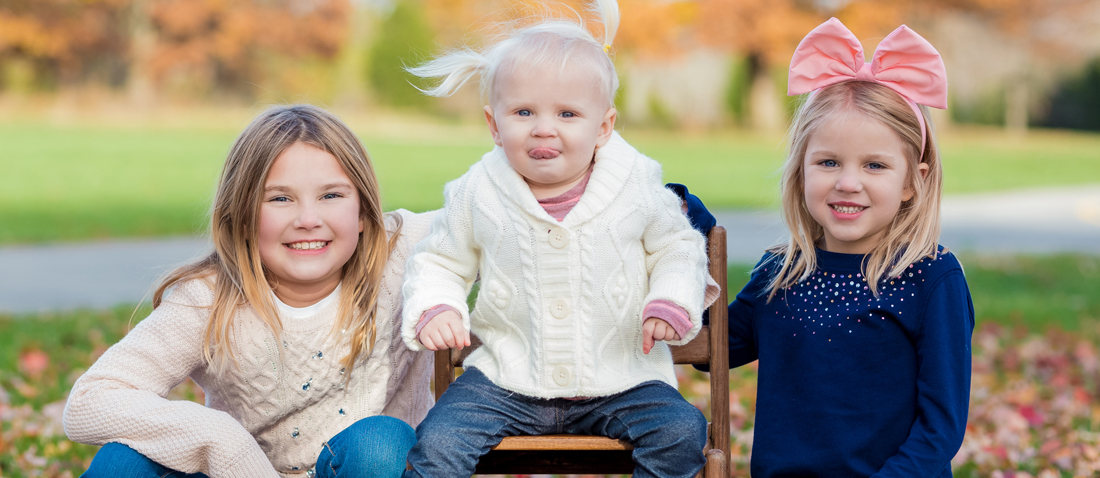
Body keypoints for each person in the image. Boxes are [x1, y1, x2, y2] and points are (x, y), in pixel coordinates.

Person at [398, 0, 719, 476]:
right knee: (440, 440)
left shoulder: (636, 187)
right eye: (524, 111)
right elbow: (439, 262)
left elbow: (680, 247)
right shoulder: (477, 192)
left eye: (568, 114)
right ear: (493, 124)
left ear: (603, 126)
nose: (543, 128)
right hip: (506, 379)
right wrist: (437, 306)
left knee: (679, 431)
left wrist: (671, 299)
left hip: (623, 377)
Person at [63, 105, 436, 478]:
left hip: (362, 466)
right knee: (123, 459)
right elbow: (88, 401)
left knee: (380, 443)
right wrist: (222, 439)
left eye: (331, 195)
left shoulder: (407, 253)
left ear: (363, 213)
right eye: (279, 199)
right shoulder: (209, 300)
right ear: (241, 218)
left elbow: (491, 214)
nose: (308, 220)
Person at [706, 18, 974, 477]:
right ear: (801, 171)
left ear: (913, 181)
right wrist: (684, 228)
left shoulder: (931, 278)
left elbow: (940, 429)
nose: (848, 183)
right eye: (828, 162)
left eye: (875, 165)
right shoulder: (781, 272)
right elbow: (713, 347)